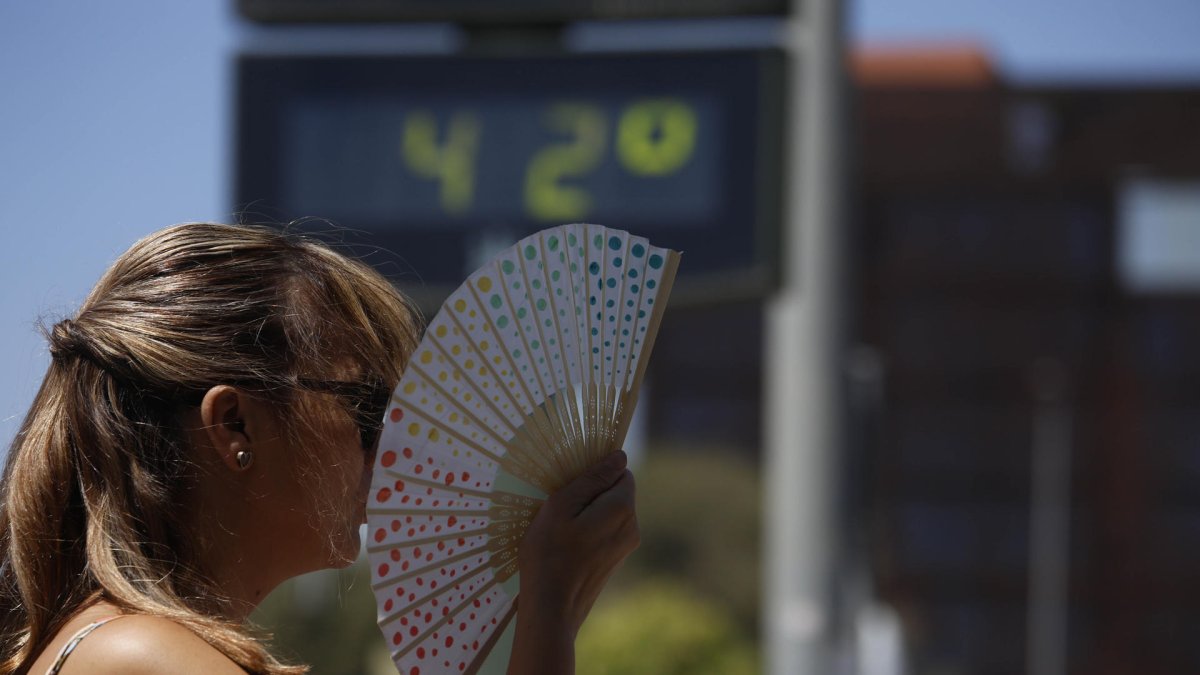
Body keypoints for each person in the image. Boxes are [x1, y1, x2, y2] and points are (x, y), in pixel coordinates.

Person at [0, 222, 639, 675]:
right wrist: (550, 604)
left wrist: (553, 601)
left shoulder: (132, 645)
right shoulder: (142, 657)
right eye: (367, 409)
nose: (394, 446)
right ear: (234, 427)